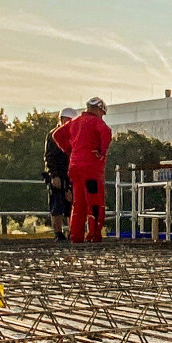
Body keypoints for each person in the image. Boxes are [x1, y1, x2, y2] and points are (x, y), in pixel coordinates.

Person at [52, 97, 113, 243]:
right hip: (91, 169)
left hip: (75, 168)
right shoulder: (96, 122)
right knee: (95, 203)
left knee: (78, 204)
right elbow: (106, 132)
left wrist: (69, 150)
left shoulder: (75, 122)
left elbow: (57, 135)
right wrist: (102, 151)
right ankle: (93, 235)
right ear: (99, 110)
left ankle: (76, 237)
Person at [43, 108, 79, 241]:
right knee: (56, 205)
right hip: (58, 174)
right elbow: (49, 157)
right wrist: (53, 175)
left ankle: (72, 231)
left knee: (72, 205)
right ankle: (58, 233)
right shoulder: (53, 135)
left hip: (70, 174)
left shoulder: (74, 135)